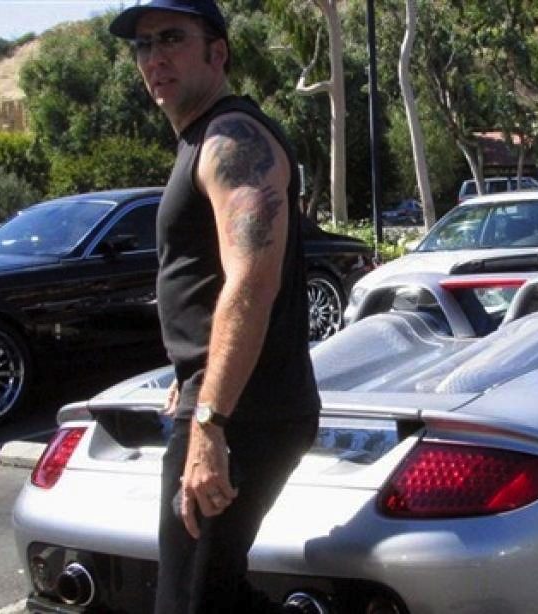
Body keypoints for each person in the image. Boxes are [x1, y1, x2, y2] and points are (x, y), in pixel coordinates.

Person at [108, 2, 320, 612]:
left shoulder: (232, 138)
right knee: (213, 593)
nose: (154, 58)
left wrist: (209, 421)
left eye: (171, 39)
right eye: (143, 45)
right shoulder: (202, 140)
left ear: (217, 52)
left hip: (243, 412)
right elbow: (207, 282)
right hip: (228, 400)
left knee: (189, 602)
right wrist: (190, 376)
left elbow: (251, 281)